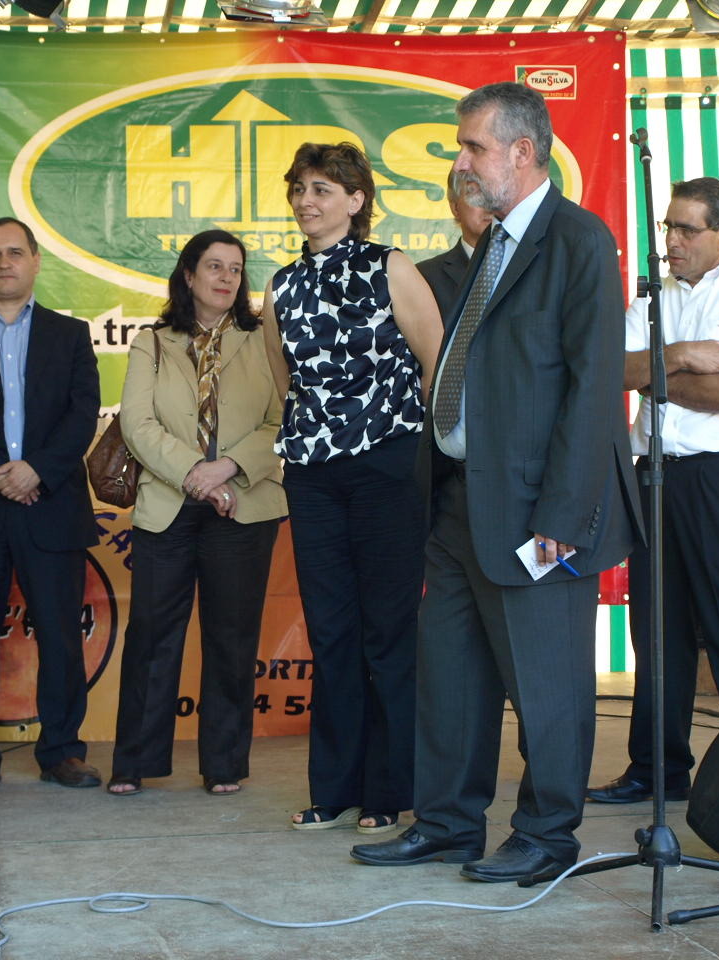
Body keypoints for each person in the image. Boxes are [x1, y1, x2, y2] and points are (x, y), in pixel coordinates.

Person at [351, 82, 642, 882]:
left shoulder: (577, 240)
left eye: (473, 147)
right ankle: (448, 822)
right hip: (457, 500)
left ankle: (547, 836)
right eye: (461, 146)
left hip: (535, 512)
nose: (462, 162)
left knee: (546, 684)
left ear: (522, 150)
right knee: (449, 676)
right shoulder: (494, 244)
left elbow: (592, 389)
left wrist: (563, 517)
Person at [587, 177, 719, 805]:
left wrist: (656, 379)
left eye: (685, 229)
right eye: (668, 226)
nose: (670, 241)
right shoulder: (655, 299)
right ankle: (657, 770)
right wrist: (680, 354)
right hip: (655, 474)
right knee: (656, 630)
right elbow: (609, 370)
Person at [262, 142, 442, 833]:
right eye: (300, 188)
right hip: (313, 474)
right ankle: (332, 789)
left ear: (357, 200)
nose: (306, 200)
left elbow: (435, 360)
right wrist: (321, 436)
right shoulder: (281, 285)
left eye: (322, 189)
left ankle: (390, 791)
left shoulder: (390, 266)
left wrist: (407, 445)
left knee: (387, 630)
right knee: (331, 630)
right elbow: (286, 379)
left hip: (388, 467)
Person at [109, 230, 286, 798]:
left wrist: (227, 468)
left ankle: (224, 765)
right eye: (214, 266)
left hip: (245, 505)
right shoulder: (152, 343)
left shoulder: (265, 341)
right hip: (168, 506)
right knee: (152, 634)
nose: (226, 277)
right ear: (188, 275)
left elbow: (283, 421)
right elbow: (137, 424)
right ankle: (134, 762)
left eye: (235, 268)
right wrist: (195, 473)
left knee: (232, 637)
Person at [0, 217, 101, 794]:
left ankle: (62, 751)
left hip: (50, 505)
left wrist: (38, 470)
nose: (4, 263)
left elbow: (82, 414)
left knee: (60, 636)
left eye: (15, 252)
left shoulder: (70, 333)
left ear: (35, 261)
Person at [417, 170, 494, 318]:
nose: (489, 205)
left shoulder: (531, 267)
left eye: (496, 194)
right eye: (476, 193)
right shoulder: (423, 277)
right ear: (455, 207)